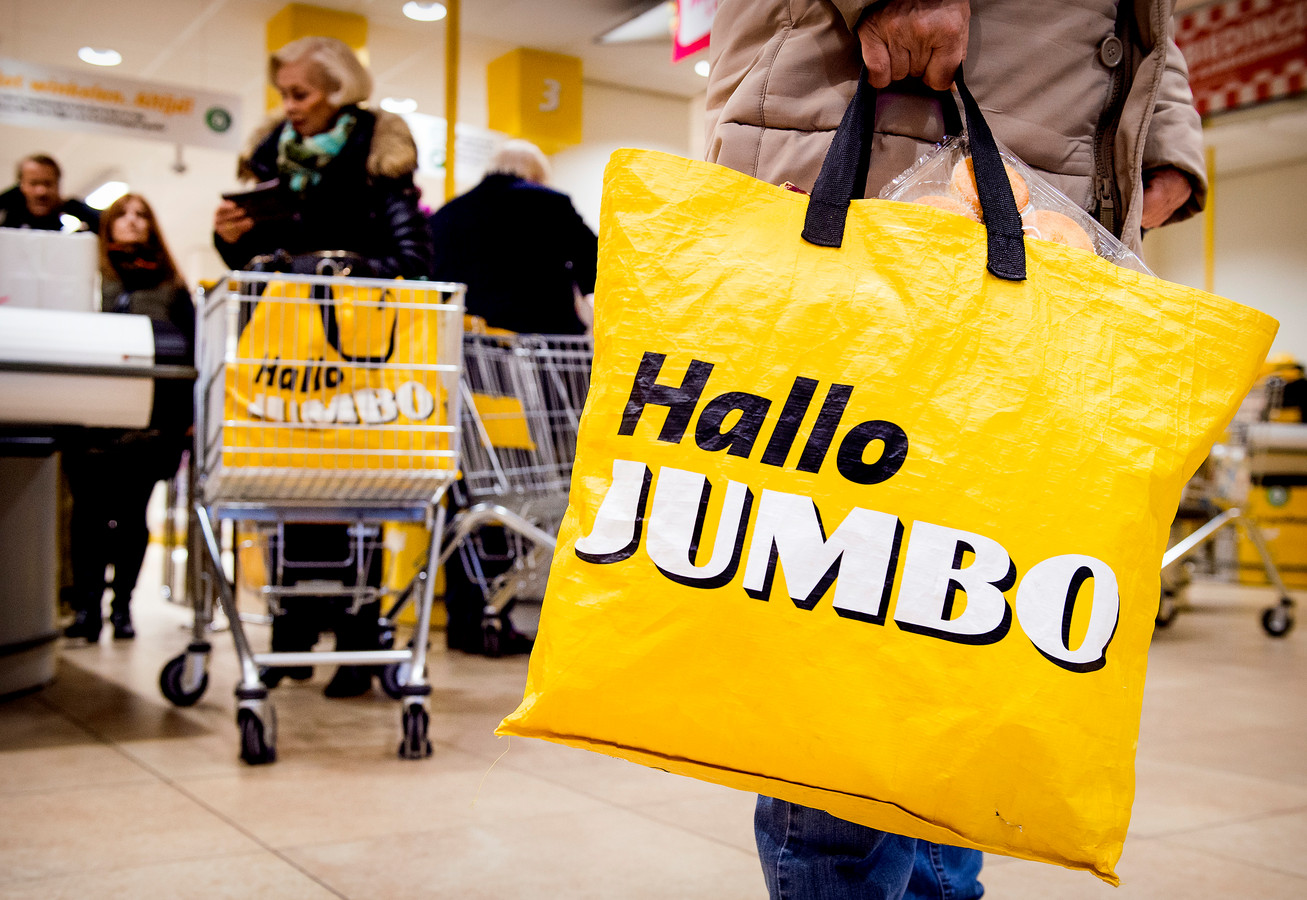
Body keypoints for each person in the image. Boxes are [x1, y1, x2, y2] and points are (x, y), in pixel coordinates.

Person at [703, 1, 1206, 897]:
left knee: (962, 612)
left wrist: (1158, 130)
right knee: (848, 606)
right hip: (885, 137)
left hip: (1043, 196)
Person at [213, 35, 433, 698]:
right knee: (286, 491)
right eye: (283, 94)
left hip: (356, 357)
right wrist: (234, 240)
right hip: (282, 355)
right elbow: (258, 269)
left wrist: (334, 267)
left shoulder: (379, 162)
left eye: (301, 93)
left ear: (337, 92)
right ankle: (292, 634)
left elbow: (413, 259)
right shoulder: (273, 164)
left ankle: (358, 641)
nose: (289, 106)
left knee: (350, 495)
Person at [426, 140, 598, 654]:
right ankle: (497, 611)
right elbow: (596, 269)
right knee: (527, 487)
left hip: (472, 373)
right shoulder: (549, 204)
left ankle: (466, 616)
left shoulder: (448, 216)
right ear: (535, 174)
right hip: (539, 375)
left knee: (476, 489)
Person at [63, 194, 194, 642]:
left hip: (149, 424)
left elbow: (192, 355)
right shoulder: (89, 277)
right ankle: (86, 609)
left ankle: (122, 607)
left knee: (132, 518)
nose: (133, 222)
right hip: (90, 419)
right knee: (88, 518)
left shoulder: (172, 286)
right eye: (124, 215)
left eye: (142, 215)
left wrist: (185, 420)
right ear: (109, 224)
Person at [427, 138, 596, 335]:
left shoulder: (451, 211)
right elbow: (591, 255)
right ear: (537, 174)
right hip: (544, 328)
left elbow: (438, 273)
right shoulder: (551, 203)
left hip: (475, 334)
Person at [0, 154, 100, 233]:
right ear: (21, 186)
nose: (41, 192)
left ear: (58, 185)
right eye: (33, 184)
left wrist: (74, 207)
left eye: (48, 184)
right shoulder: (9, 217)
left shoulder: (71, 210)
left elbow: (105, 222)